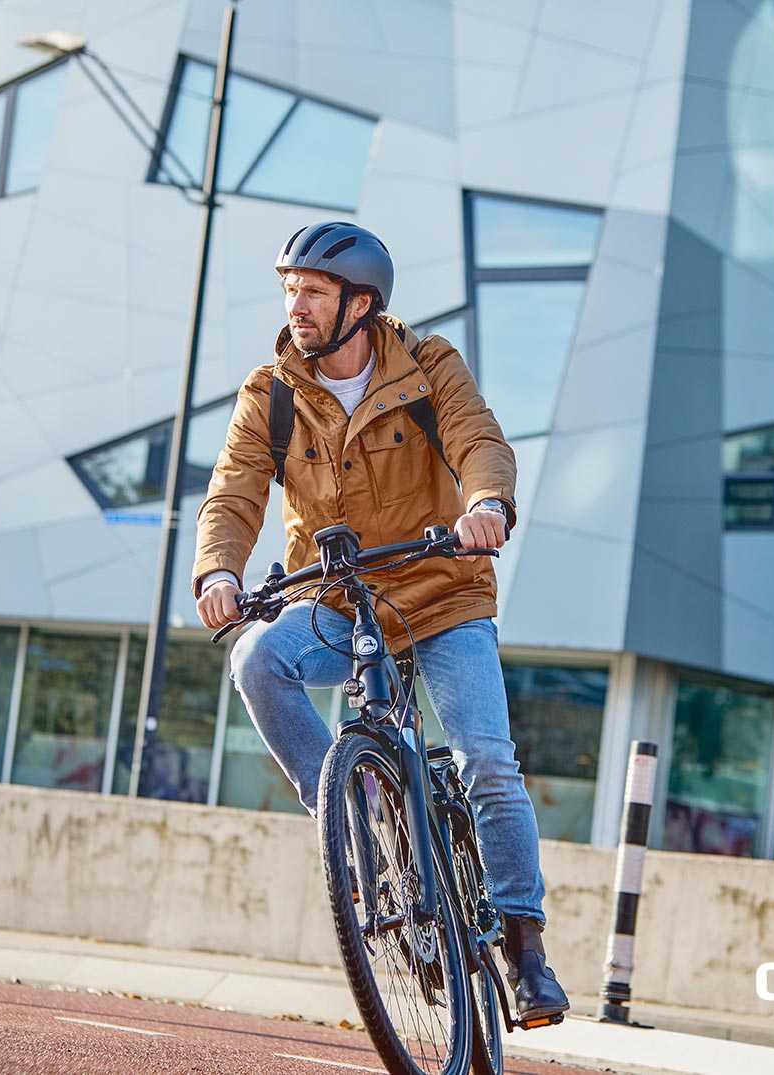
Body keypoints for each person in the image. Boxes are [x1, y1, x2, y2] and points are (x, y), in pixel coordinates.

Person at [192, 221, 570, 1024]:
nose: (296, 304)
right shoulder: (271, 393)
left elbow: (478, 440)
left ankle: (522, 942)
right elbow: (233, 491)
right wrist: (219, 568)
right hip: (334, 600)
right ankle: (353, 827)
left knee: (485, 760)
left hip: (440, 593)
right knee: (258, 656)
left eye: (315, 291)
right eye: (290, 288)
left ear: (360, 304)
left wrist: (486, 503)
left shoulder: (429, 365)